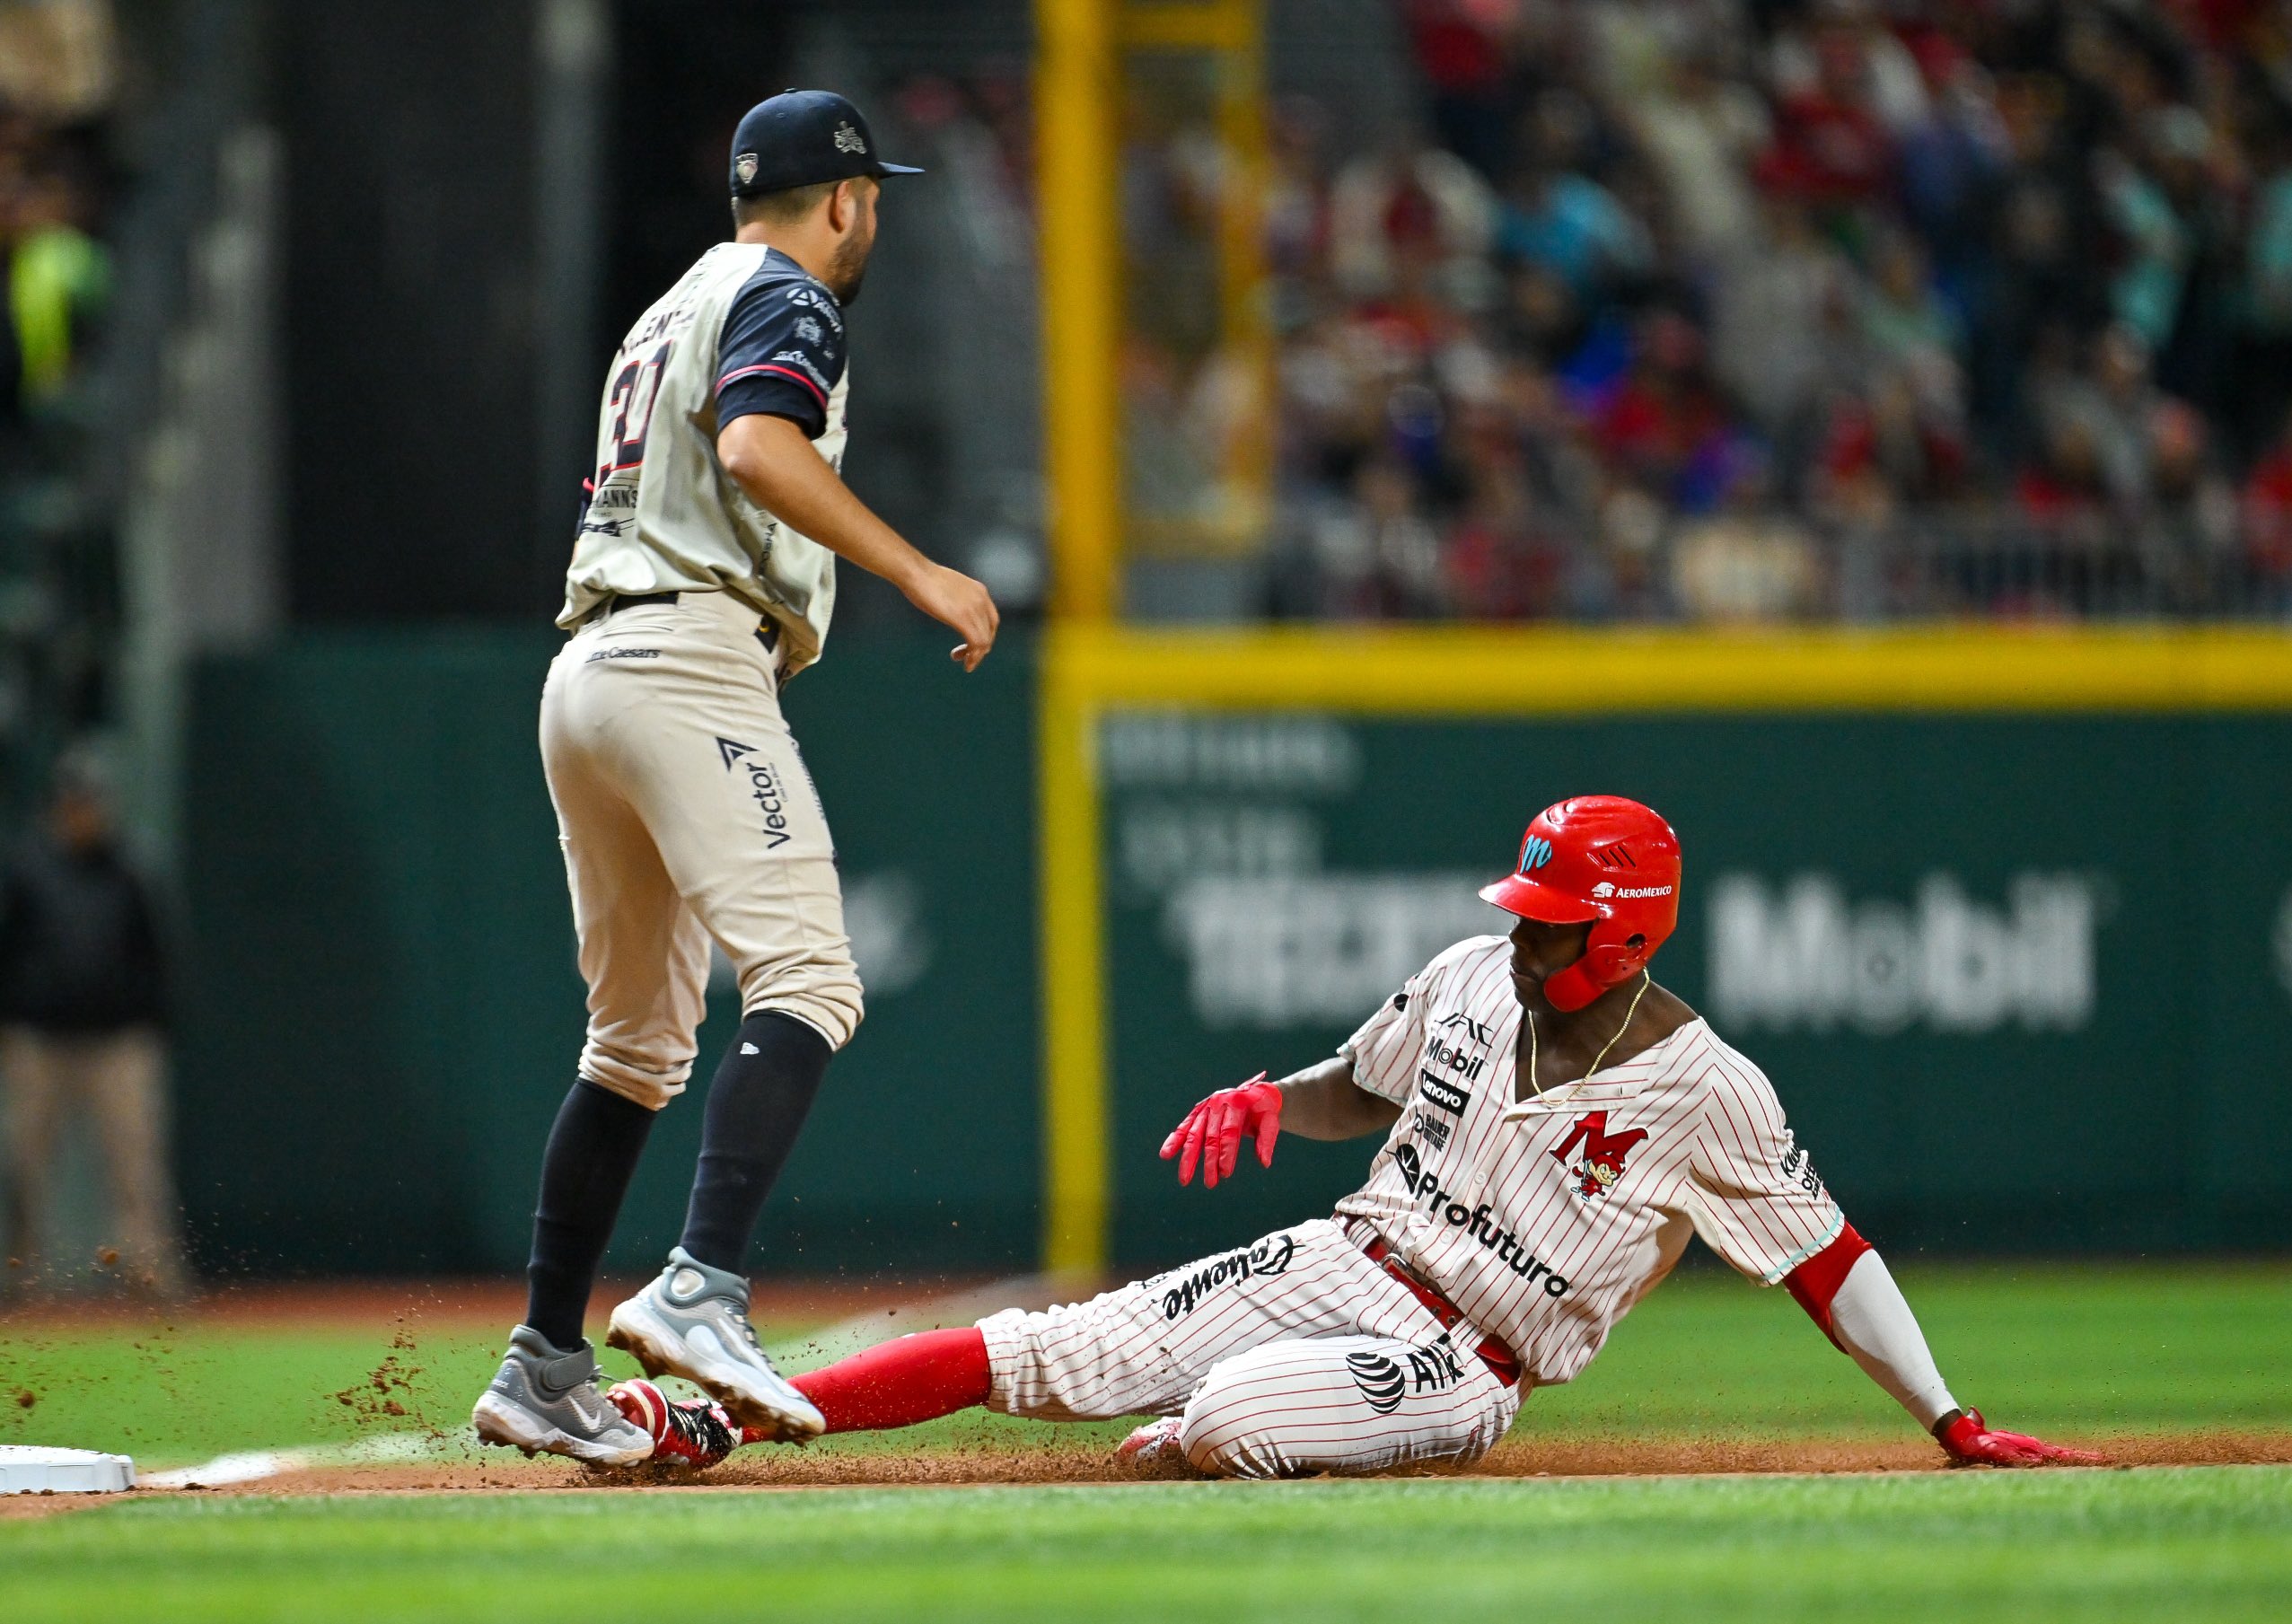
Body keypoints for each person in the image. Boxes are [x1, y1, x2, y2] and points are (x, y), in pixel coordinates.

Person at [610, 797, 2099, 1478]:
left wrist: (1947, 1415)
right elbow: (1358, 1081)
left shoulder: (1709, 1089)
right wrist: (1272, 1096)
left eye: (1557, 926)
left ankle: (1187, 1439)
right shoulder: (1471, 973)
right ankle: (724, 1417)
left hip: (1466, 1358)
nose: (1524, 944)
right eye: (1523, 917)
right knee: (1049, 1350)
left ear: (1630, 928)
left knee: (1241, 1412)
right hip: (1337, 1250)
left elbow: (1828, 1260)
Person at [471, 90, 998, 1466]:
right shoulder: (790, 293)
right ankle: (701, 1285)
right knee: (811, 980)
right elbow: (761, 446)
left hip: (589, 667)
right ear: (838, 199)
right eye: (869, 194)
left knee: (635, 1046)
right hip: (689, 654)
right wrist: (918, 569)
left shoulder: (674, 301)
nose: (870, 214)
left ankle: (542, 1360)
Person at [0, 747, 186, 1299]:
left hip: (117, 1044)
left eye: (92, 802)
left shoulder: (129, 870)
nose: (84, 813)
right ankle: (17, 1274)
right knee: (25, 1167)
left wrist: (151, 1022)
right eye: (75, 802)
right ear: (58, 806)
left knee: (136, 1167)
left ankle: (150, 1275)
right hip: (40, 1042)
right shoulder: (26, 869)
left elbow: (156, 955)